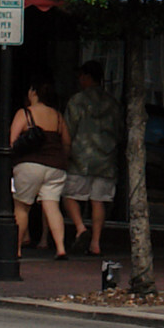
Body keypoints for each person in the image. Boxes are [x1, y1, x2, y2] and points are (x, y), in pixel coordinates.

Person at [8, 79, 72, 259]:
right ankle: (60, 248)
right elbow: (66, 143)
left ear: (34, 93)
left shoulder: (24, 113)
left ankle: (17, 248)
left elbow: (12, 141)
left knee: (22, 207)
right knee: (52, 206)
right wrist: (63, 160)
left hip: (29, 165)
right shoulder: (58, 116)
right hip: (55, 167)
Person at [63, 60, 121, 257]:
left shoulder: (77, 101)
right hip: (106, 158)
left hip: (81, 157)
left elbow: (68, 130)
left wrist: (66, 151)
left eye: (81, 76)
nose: (79, 80)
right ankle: (95, 243)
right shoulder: (112, 102)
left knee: (69, 195)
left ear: (87, 77)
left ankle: (80, 228)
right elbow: (120, 130)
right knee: (99, 201)